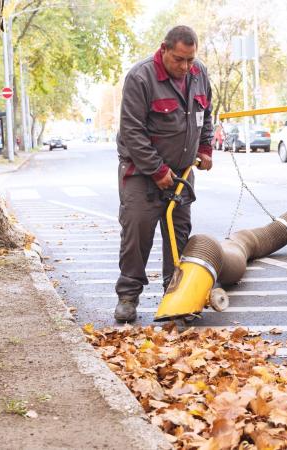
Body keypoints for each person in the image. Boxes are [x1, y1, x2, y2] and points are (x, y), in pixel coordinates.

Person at [113, 25, 214, 322]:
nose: (185, 67)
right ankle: (128, 296)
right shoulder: (140, 77)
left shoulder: (199, 74)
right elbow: (132, 131)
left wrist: (206, 148)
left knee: (179, 237)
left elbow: (206, 114)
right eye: (179, 60)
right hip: (142, 174)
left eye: (190, 60)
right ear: (164, 49)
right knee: (137, 234)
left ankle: (177, 297)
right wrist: (157, 170)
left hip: (181, 174)